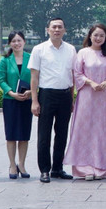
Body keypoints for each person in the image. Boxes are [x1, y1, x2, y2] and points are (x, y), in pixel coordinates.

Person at [63, 24, 106, 180]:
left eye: (101, 36)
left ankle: (100, 168)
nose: (98, 38)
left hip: (103, 98)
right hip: (86, 96)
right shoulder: (83, 53)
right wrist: (90, 82)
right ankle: (84, 169)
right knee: (84, 130)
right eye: (95, 35)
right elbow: (77, 73)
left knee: (101, 131)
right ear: (90, 36)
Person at [29, 18, 76, 183]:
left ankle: (58, 168)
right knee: (44, 135)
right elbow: (34, 78)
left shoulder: (71, 49)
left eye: (60, 27)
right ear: (47, 29)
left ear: (64, 30)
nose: (57, 30)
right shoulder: (39, 49)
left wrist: (71, 98)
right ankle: (44, 170)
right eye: (54, 27)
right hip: (46, 95)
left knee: (62, 134)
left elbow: (72, 76)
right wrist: (34, 101)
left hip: (64, 95)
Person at [0, 31, 33, 179]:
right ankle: (12, 165)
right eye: (13, 41)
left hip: (26, 100)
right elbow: (1, 80)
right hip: (10, 101)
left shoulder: (31, 59)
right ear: (9, 43)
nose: (17, 43)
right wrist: (11, 93)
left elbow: (37, 78)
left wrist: (31, 92)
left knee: (24, 135)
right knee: (11, 135)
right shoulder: (5, 60)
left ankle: (22, 164)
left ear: (24, 42)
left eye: (19, 40)